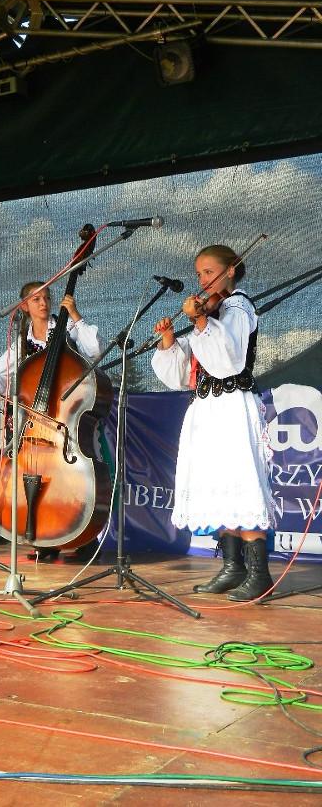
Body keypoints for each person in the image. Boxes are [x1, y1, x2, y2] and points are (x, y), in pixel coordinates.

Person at [151, 244, 275, 600]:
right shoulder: (213, 310)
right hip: (206, 406)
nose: (202, 279)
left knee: (239, 482)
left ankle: (259, 574)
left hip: (232, 405)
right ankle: (233, 567)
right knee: (216, 484)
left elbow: (228, 360)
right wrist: (170, 341)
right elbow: (182, 375)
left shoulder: (237, 306)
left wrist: (201, 321)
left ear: (230, 270)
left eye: (209, 271)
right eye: (199, 273)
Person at [0, 280, 102, 562]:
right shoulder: (21, 345)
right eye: (36, 299)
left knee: (75, 479)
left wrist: (75, 315)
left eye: (46, 298)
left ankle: (84, 537)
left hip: (65, 430)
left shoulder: (68, 331)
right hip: (30, 433)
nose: (43, 303)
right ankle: (43, 535)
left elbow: (93, 353)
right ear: (24, 307)